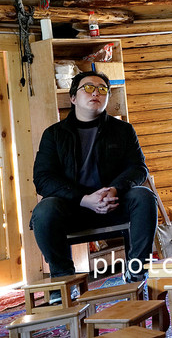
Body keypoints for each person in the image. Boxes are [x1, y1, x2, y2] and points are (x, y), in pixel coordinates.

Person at [31, 71, 157, 288]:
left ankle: (136, 271)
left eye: (102, 89)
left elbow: (138, 168)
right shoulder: (54, 134)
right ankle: (63, 281)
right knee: (44, 210)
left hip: (114, 203)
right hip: (73, 208)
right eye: (88, 87)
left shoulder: (123, 130)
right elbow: (43, 179)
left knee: (144, 196)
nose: (96, 92)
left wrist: (115, 189)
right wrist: (83, 198)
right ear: (73, 98)